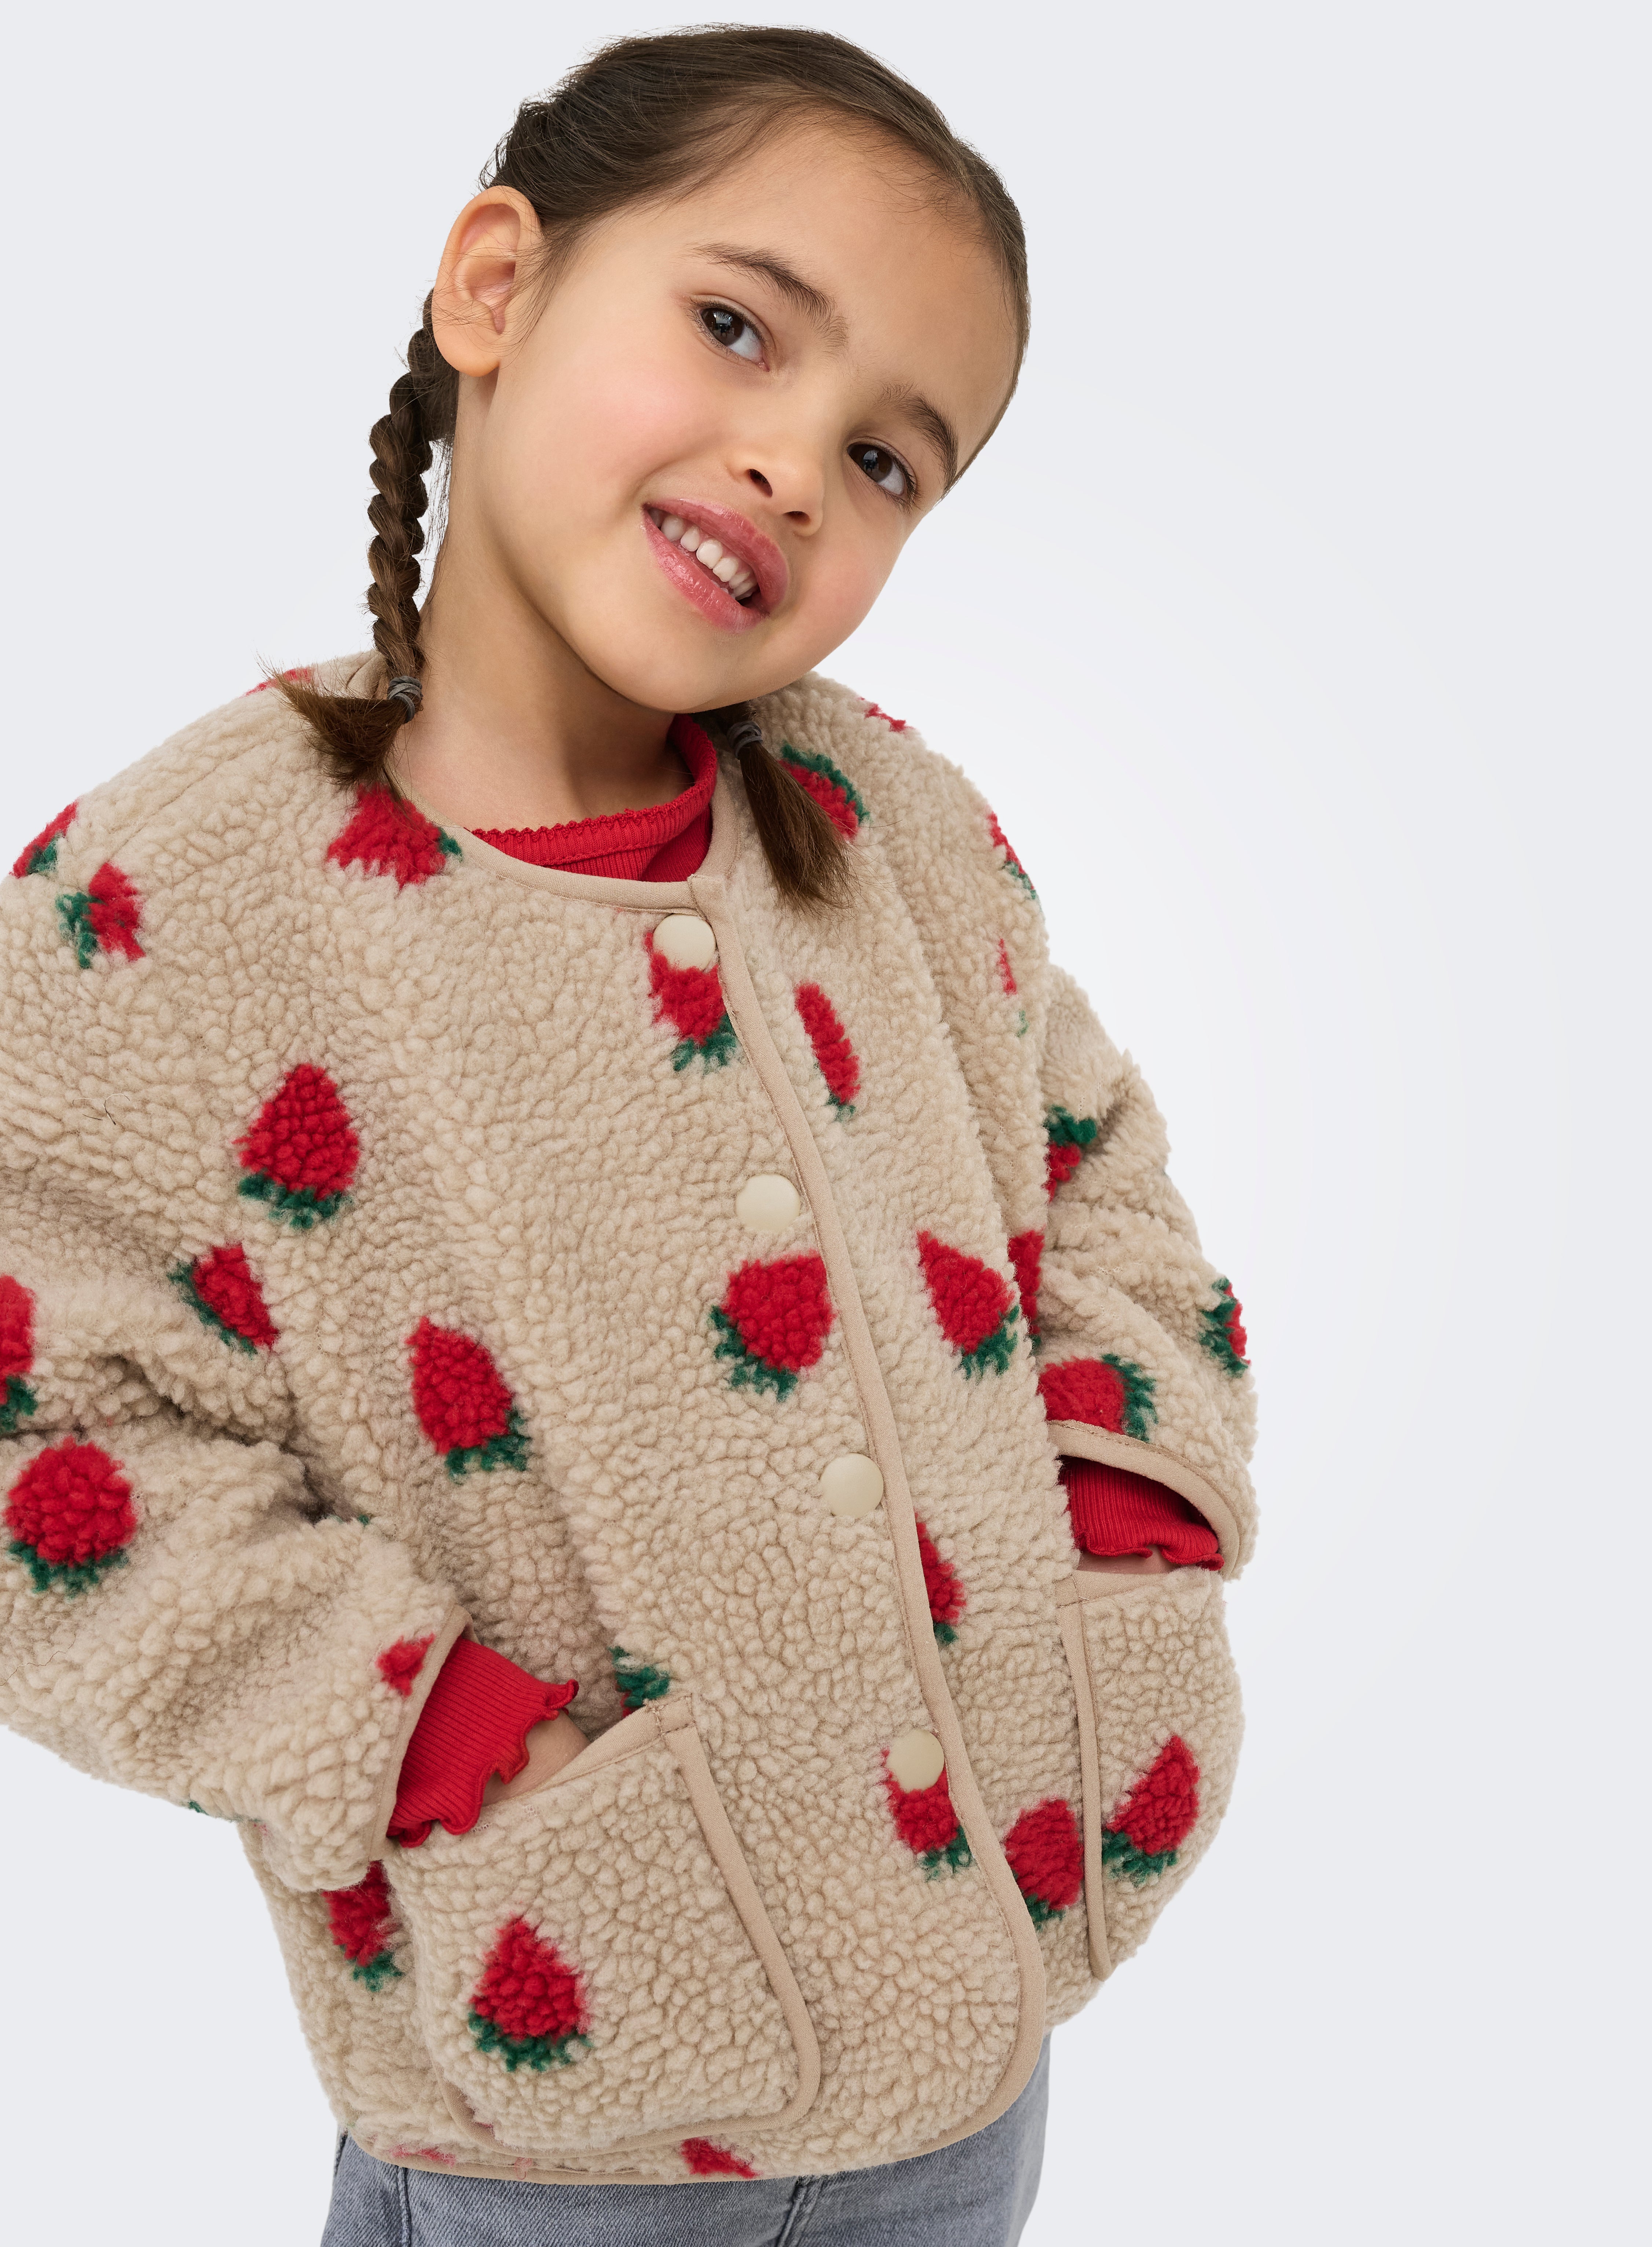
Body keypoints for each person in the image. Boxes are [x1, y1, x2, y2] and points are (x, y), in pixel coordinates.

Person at [0, 27, 1255, 2246]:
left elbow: (1098, 1173)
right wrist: (427, 1731)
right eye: (738, 327)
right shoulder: (166, 911)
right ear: (496, 286)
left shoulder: (891, 825)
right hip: (558, 2108)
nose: (793, 463)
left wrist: (1122, 1516)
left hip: (980, 2037)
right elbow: (39, 1443)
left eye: (885, 457)